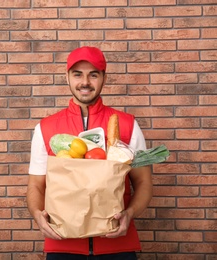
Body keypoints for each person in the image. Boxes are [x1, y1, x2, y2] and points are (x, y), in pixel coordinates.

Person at [26, 46, 153, 260]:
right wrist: (38, 216)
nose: (85, 82)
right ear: (67, 77)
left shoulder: (127, 125)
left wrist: (129, 215)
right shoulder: (46, 128)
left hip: (116, 245)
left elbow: (143, 183)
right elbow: (36, 185)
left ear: (104, 78)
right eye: (78, 74)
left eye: (93, 75)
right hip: (62, 245)